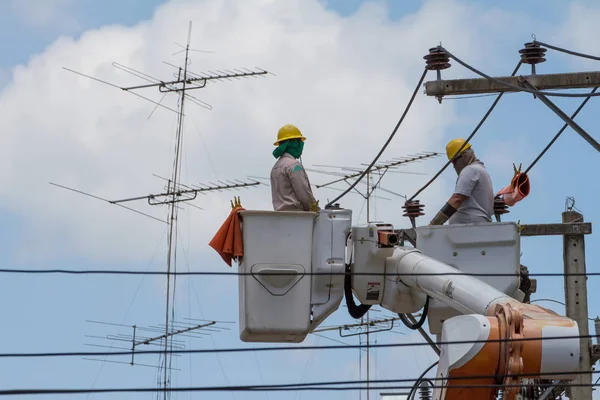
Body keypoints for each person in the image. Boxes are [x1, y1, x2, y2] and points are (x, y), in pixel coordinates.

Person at [429, 138, 493, 225]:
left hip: (468, 230)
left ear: (463, 156)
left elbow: (457, 199)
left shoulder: (470, 170)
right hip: (475, 228)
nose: (454, 166)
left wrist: (434, 224)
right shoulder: (480, 170)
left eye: (454, 161)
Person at [270, 124, 318, 211]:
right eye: (299, 142)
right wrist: (316, 210)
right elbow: (304, 195)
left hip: (279, 219)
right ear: (294, 144)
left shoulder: (275, 168)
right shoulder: (295, 166)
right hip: (296, 217)